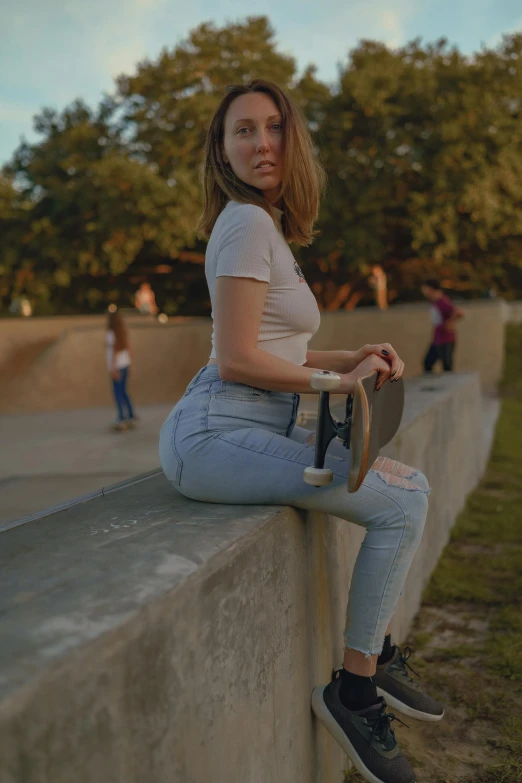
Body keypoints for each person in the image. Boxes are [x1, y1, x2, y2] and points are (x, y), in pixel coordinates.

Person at [159, 80, 443, 783]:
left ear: (294, 139)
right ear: (222, 151)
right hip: (215, 432)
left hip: (257, 421)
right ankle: (352, 691)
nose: (262, 143)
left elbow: (274, 348)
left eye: (274, 127)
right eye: (244, 131)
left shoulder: (266, 228)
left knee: (414, 484)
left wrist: (350, 357)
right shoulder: (246, 224)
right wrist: (335, 385)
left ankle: (375, 645)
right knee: (400, 504)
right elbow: (235, 358)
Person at [421, 279, 464, 373]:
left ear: (431, 289)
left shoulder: (442, 301)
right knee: (427, 363)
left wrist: (449, 322)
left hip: (446, 340)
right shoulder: (434, 301)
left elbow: (459, 313)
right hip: (437, 339)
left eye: (425, 288)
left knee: (447, 368)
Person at [105, 309, 137, 431]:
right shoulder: (122, 332)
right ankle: (131, 416)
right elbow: (130, 349)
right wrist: (129, 363)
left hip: (117, 367)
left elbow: (114, 351)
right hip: (125, 364)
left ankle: (121, 417)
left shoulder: (110, 334)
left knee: (117, 393)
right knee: (124, 392)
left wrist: (113, 369)